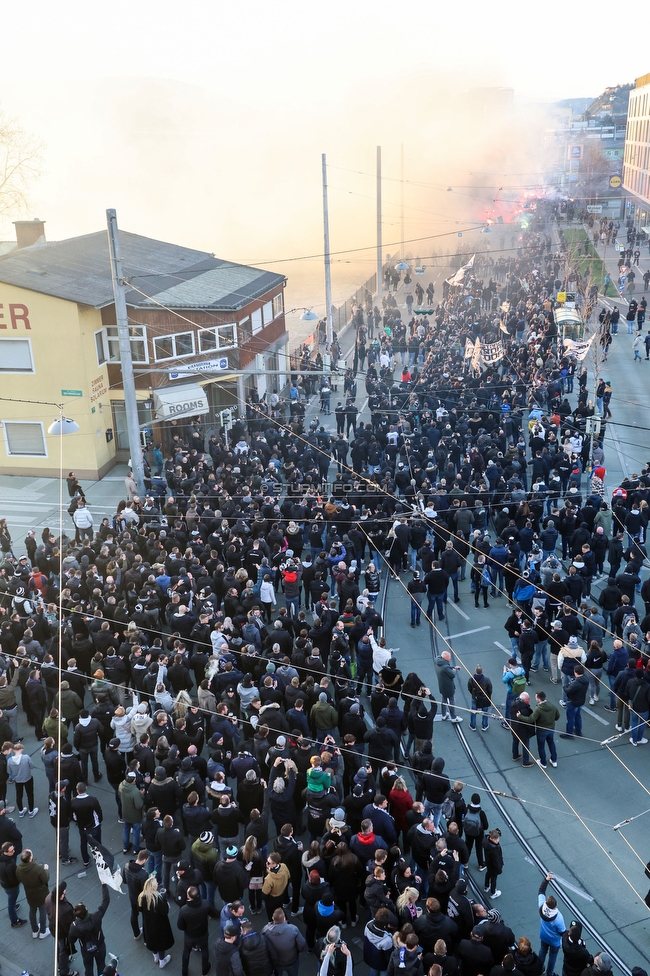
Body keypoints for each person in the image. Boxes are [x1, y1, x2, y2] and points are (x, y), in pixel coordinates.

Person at [69, 885, 111, 976]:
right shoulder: (96, 917)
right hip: (99, 946)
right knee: (101, 965)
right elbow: (106, 901)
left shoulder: (74, 927)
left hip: (86, 950)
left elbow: (71, 940)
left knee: (88, 968)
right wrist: (104, 885)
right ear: (86, 909)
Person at [138, 875, 175, 968]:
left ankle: (155, 956)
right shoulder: (159, 899)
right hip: (160, 925)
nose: (158, 884)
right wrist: (164, 898)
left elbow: (140, 909)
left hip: (148, 924)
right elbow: (165, 911)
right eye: (156, 883)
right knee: (161, 943)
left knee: (152, 941)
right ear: (154, 887)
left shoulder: (141, 896)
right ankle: (162, 961)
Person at [518, 692, 560, 770]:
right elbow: (557, 716)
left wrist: (520, 716)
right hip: (551, 728)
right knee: (551, 743)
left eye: (536, 697)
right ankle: (554, 760)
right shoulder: (552, 705)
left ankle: (543, 762)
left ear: (539, 698)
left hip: (541, 730)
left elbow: (530, 719)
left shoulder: (538, 709)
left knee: (541, 746)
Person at [45, 880, 78, 976]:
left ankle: (61, 964)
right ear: (61, 895)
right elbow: (68, 926)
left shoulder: (48, 898)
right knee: (63, 950)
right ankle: (64, 971)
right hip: (62, 933)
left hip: (54, 928)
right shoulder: (64, 910)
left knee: (59, 947)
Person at [16, 847, 50, 938]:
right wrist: (46, 869)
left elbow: (19, 878)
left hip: (30, 893)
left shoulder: (19, 868)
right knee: (43, 911)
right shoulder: (38, 868)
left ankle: (34, 930)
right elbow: (45, 879)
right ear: (30, 858)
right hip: (41, 894)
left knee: (32, 910)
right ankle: (43, 931)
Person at [262, 907, 307, 976]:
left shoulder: (266, 930)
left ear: (273, 918)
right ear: (284, 918)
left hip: (277, 961)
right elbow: (302, 943)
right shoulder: (293, 929)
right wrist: (299, 951)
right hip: (292, 960)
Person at [177, 886, 211, 976]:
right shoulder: (206, 904)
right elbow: (213, 913)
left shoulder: (184, 910)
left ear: (188, 896)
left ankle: (184, 972)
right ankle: (205, 970)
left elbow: (180, 926)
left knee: (186, 953)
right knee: (205, 951)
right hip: (202, 933)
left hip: (190, 936)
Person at [537, 873, 566, 976]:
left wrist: (546, 880)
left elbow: (541, 891)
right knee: (552, 956)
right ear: (556, 905)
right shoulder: (558, 918)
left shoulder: (541, 906)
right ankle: (549, 974)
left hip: (543, 936)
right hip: (554, 941)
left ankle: (539, 969)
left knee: (542, 951)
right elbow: (562, 932)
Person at [0, 839, 26, 927]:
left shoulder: (2, 859)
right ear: (5, 852)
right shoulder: (10, 865)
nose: (14, 851)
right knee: (11, 902)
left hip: (4, 883)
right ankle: (14, 921)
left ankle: (13, 907)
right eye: (11, 851)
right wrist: (19, 880)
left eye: (13, 849)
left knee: (11, 900)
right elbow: (13, 880)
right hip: (11, 887)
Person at [434, 652, 462, 723]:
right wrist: (454, 669)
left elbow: (447, 668)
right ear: (445, 658)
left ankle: (444, 715)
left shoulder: (438, 661)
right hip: (448, 687)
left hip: (442, 685)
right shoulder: (445, 667)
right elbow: (452, 674)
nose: (450, 658)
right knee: (451, 701)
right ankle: (453, 717)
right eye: (449, 657)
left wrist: (453, 667)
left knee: (444, 700)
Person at [482, 828, 503, 899]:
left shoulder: (486, 842)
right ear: (491, 838)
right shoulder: (494, 849)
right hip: (494, 866)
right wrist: (499, 869)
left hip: (489, 863)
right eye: (496, 839)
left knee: (488, 873)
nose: (497, 840)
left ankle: (486, 886)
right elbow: (496, 861)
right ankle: (493, 892)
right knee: (494, 878)